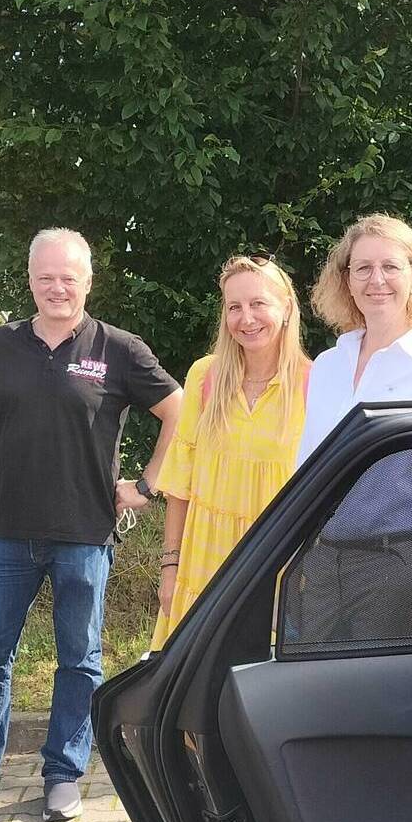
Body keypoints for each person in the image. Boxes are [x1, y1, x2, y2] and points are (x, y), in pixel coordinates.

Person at [0, 228, 181, 822]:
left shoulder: (118, 348)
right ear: (30, 280)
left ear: (88, 281)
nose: (57, 287)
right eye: (45, 277)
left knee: (79, 659)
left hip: (85, 535)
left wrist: (146, 486)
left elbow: (179, 412)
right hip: (7, 535)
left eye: (69, 277)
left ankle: (64, 774)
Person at [290, 214, 412, 643]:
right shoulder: (327, 365)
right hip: (322, 563)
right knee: (312, 696)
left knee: (372, 703)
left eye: (391, 266)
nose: (377, 280)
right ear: (347, 279)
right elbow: (306, 471)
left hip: (397, 567)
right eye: (363, 268)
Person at [150, 256, 310, 648]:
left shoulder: (317, 382)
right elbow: (179, 483)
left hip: (276, 570)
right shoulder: (205, 376)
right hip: (202, 564)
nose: (246, 318)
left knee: (261, 692)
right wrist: (170, 565)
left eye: (259, 304)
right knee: (193, 691)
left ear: (286, 308)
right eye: (234, 307)